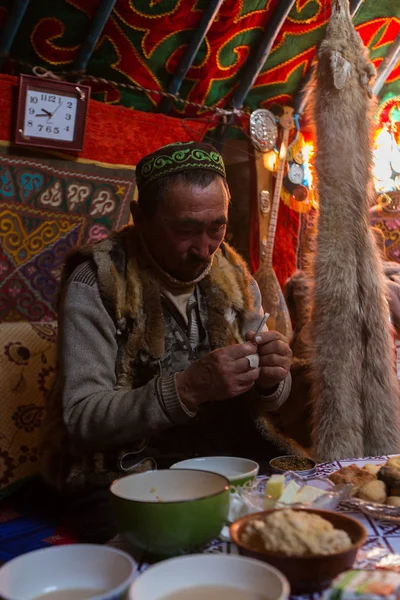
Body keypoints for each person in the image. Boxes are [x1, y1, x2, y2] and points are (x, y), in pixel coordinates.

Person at [40, 141, 296, 541]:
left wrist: (271, 378)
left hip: (223, 459)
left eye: (217, 227)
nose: (205, 248)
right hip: (127, 472)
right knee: (171, 548)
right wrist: (188, 388)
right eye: (186, 230)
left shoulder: (232, 273)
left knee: (297, 519)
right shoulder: (98, 282)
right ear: (140, 218)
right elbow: (81, 419)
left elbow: (268, 399)